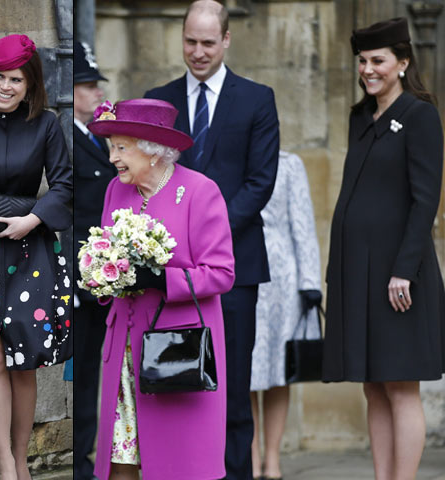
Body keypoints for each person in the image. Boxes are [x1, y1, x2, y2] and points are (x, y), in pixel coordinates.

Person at [144, 1, 279, 477]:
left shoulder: (257, 99)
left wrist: (205, 237)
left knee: (231, 391)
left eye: (207, 42)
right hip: (167, 275)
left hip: (233, 270)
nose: (197, 52)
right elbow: (148, 179)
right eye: (190, 41)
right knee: (172, 388)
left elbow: (260, 183)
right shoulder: (158, 102)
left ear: (226, 41)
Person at [87, 98, 235, 479]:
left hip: (176, 349)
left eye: (122, 148)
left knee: (179, 463)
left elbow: (221, 272)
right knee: (121, 460)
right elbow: (107, 259)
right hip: (124, 349)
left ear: (152, 151)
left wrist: (161, 279)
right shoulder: (115, 191)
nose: (112, 158)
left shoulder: (200, 191)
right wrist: (103, 276)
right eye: (111, 147)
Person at [324, 17, 445, 480]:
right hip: (359, 270)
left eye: (378, 60)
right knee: (372, 386)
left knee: (400, 385)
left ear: (402, 62)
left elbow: (425, 200)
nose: (368, 69)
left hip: (399, 273)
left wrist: (404, 270)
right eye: (362, 60)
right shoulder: (360, 117)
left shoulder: (420, 115)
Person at [0, 34, 73, 480]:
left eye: (15, 80)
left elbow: (64, 184)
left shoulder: (45, 125)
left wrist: (35, 218)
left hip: (30, 249)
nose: (5, 86)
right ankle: (4, 462)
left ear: (30, 84)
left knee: (26, 358)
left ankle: (21, 459)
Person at [249, 150, 322, 480]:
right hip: (240, 272)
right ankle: (249, 461)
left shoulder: (289, 163)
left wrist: (310, 282)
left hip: (282, 278)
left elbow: (303, 223)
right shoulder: (229, 155)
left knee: (280, 369)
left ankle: (273, 461)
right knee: (245, 374)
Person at [72, 39, 116, 480]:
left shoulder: (99, 138)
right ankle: (80, 455)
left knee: (93, 369)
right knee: (82, 371)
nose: (96, 93)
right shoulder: (69, 136)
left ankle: (88, 453)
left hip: (102, 278)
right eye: (86, 85)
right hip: (79, 276)